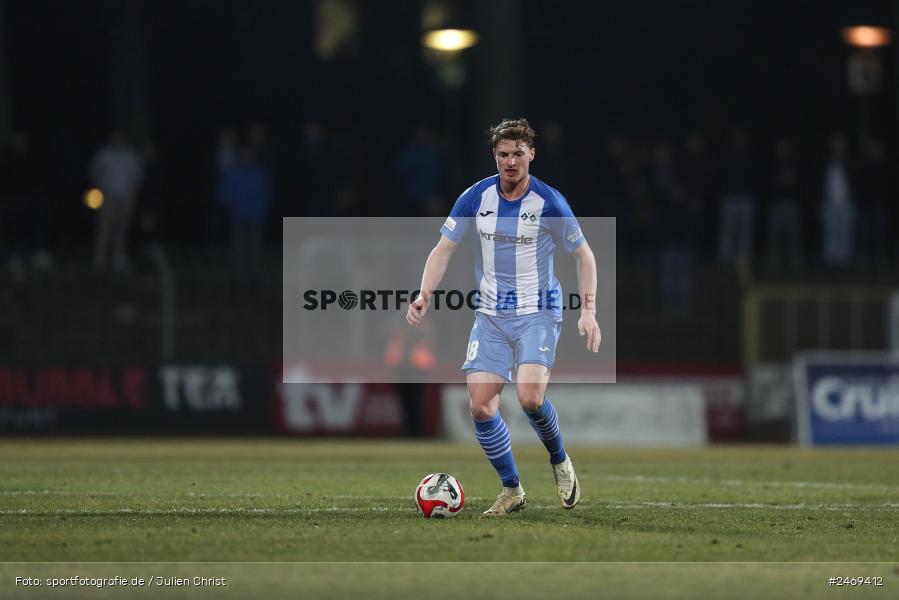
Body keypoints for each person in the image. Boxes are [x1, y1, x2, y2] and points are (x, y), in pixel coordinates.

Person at [406, 118, 601, 517]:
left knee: (530, 399)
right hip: (492, 315)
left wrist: (589, 310)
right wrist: (424, 294)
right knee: (480, 407)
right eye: (503, 155)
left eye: (517, 153)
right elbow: (443, 248)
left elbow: (584, 256)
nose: (510, 161)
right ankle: (512, 490)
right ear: (494, 157)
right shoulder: (476, 197)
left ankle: (560, 460)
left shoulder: (549, 202)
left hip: (538, 312)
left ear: (531, 153)